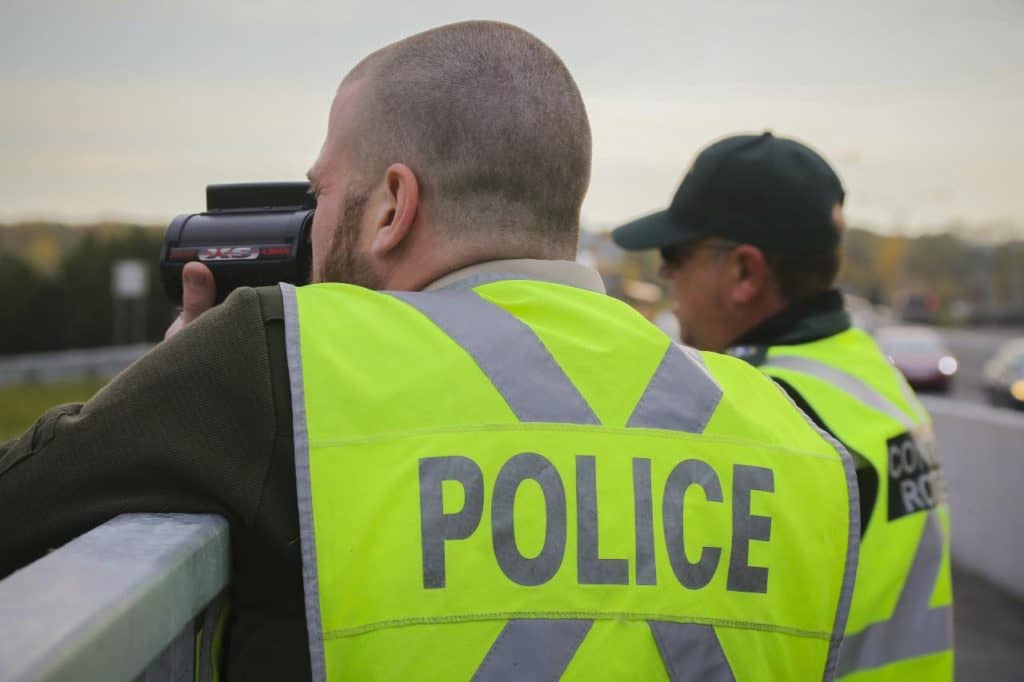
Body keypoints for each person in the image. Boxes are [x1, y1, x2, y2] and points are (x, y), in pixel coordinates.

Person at [0, 27, 859, 681]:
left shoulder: (283, 354)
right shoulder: (798, 443)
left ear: (393, 206)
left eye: (322, 191)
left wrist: (175, 367)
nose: (311, 220)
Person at [612, 131, 953, 680]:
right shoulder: (867, 375)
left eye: (675, 254)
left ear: (746, 273)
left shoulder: (764, 421)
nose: (665, 274)